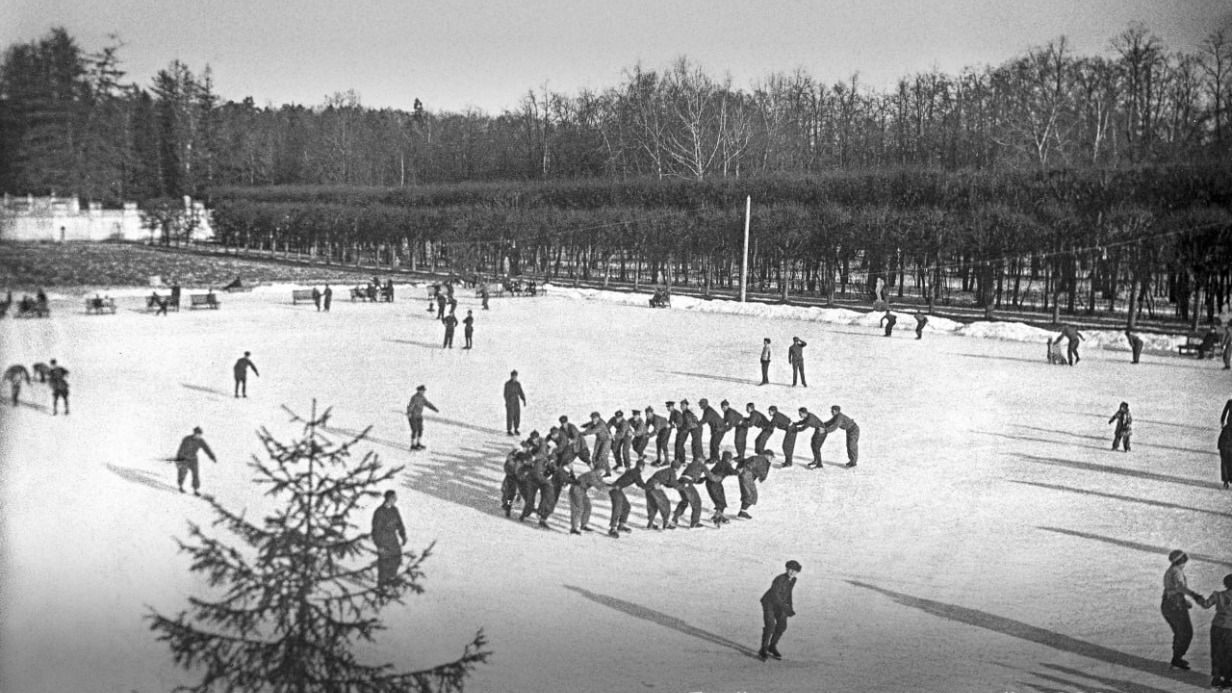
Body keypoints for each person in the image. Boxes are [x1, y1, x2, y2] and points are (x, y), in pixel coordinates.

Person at [1163, 549, 1205, 670]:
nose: (1185, 563)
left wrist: (1183, 600)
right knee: (1186, 632)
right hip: (1174, 605)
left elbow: (1172, 589)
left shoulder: (1172, 570)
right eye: (1184, 560)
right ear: (1181, 561)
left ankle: (1176, 658)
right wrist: (1195, 595)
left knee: (1180, 632)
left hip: (1169, 603)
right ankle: (1176, 659)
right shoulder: (1176, 571)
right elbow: (1180, 587)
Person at [759, 560, 801, 661]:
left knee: (782, 625)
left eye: (794, 570)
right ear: (786, 569)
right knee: (770, 626)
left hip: (780, 605)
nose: (792, 572)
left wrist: (790, 606)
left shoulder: (793, 579)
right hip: (769, 603)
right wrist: (785, 608)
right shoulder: (779, 579)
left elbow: (788, 593)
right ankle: (763, 649)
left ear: (797, 572)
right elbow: (775, 595)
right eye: (790, 569)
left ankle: (772, 646)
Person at [1196, 573, 1232, 689]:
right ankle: (1227, 679)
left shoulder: (1218, 595)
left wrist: (1198, 598)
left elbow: (1206, 605)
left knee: (1217, 652)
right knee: (1229, 654)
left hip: (1217, 626)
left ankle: (1216, 678)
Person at [372, 490, 407, 588]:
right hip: (383, 539)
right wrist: (379, 545)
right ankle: (381, 584)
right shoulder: (379, 512)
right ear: (389, 498)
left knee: (397, 558)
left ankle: (391, 578)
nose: (396, 499)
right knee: (384, 561)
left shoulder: (395, 510)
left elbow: (399, 523)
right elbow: (376, 530)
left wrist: (403, 535)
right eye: (394, 497)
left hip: (393, 538)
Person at [607, 460, 645, 538]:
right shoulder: (636, 473)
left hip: (617, 489)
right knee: (617, 508)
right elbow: (641, 484)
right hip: (615, 489)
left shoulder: (632, 471)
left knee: (626, 506)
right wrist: (652, 485)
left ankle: (621, 525)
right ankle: (612, 528)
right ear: (642, 467)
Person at [174, 426, 217, 495]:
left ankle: (195, 489)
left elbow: (207, 449)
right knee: (183, 472)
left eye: (200, 434)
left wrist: (212, 457)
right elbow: (181, 450)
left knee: (196, 474)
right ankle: (181, 486)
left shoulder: (201, 441)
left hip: (193, 459)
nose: (198, 436)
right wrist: (179, 460)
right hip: (184, 458)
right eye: (197, 434)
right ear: (194, 433)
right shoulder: (187, 439)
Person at [566, 462, 606, 535]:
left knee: (587, 507)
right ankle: (574, 528)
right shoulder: (591, 475)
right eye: (601, 471)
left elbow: (601, 482)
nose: (602, 473)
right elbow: (599, 486)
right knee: (578, 508)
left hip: (582, 490)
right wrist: (612, 488)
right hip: (576, 489)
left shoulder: (596, 475)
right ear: (597, 470)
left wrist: (611, 485)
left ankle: (583, 525)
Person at [703, 451, 740, 527]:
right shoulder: (726, 465)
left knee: (721, 501)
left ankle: (719, 515)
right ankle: (717, 517)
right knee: (720, 501)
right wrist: (739, 471)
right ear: (728, 458)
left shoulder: (719, 463)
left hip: (712, 483)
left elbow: (711, 472)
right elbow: (733, 472)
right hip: (714, 484)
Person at [737, 451, 774, 519]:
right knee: (752, 494)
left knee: (748, 494)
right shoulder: (762, 460)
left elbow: (743, 462)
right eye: (771, 457)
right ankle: (742, 512)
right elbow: (762, 474)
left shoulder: (757, 457)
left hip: (744, 475)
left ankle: (742, 511)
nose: (771, 459)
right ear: (767, 455)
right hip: (747, 475)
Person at [406, 385, 439, 450]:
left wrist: (434, 408)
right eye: (422, 391)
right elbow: (409, 405)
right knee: (414, 430)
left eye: (424, 391)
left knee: (420, 430)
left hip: (419, 416)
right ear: (419, 391)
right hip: (413, 416)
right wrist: (409, 412)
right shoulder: (414, 397)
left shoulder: (422, 398)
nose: (423, 392)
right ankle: (413, 445)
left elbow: (427, 403)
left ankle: (418, 443)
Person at [581, 411, 613, 477]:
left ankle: (607, 472)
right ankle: (597, 470)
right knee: (594, 456)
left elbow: (594, 430)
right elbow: (590, 424)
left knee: (603, 456)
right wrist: (585, 425)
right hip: (599, 439)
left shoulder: (601, 424)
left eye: (595, 418)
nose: (593, 419)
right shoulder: (594, 422)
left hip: (606, 440)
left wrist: (583, 433)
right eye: (592, 418)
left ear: (598, 418)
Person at [503, 371, 527, 436]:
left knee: (517, 415)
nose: (514, 377)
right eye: (513, 376)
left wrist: (524, 399)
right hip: (510, 402)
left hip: (516, 401)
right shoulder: (507, 384)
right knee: (510, 416)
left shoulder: (518, 384)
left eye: (516, 376)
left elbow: (521, 392)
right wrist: (508, 402)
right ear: (511, 376)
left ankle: (516, 429)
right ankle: (509, 430)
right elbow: (505, 394)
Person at [1219, 417, 1232, 490]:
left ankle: (1226, 480)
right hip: (1226, 442)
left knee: (1225, 461)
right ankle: (1227, 480)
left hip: (1224, 443)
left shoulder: (1226, 428)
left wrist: (1222, 421)